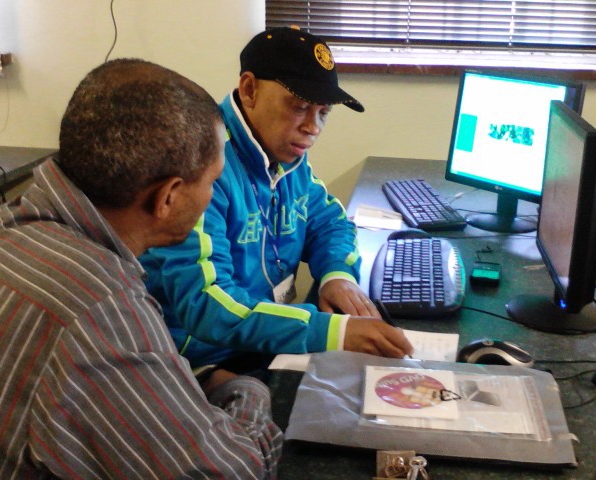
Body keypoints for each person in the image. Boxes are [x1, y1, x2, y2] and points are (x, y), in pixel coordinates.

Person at [0, 59, 281, 479]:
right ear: (167, 196)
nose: (214, 194)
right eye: (213, 181)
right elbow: (229, 472)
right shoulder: (98, 306)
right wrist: (247, 389)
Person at [140, 27, 413, 370]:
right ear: (249, 89)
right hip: (200, 360)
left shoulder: (287, 155)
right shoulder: (201, 164)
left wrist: (337, 275)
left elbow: (329, 221)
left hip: (267, 341)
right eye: (300, 107)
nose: (313, 127)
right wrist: (333, 331)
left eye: (323, 113)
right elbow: (207, 305)